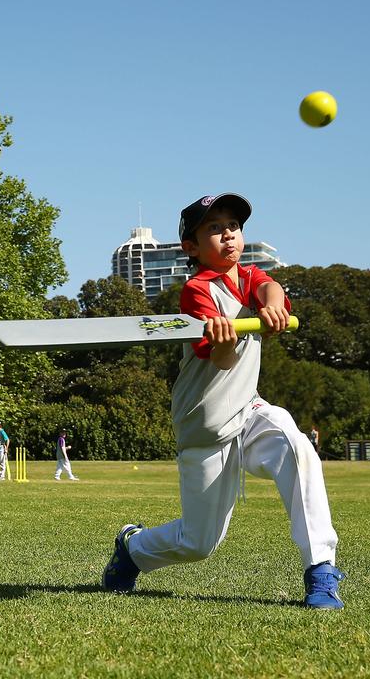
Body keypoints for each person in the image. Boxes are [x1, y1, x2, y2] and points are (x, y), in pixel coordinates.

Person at [102, 193, 345, 609]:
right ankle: (133, 548)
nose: (228, 234)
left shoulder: (248, 277)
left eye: (233, 225)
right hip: (205, 424)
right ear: (191, 247)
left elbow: (270, 287)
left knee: (297, 446)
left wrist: (272, 308)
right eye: (213, 228)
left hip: (247, 410)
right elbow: (223, 359)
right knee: (198, 544)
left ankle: (320, 569)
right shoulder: (196, 293)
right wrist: (224, 337)